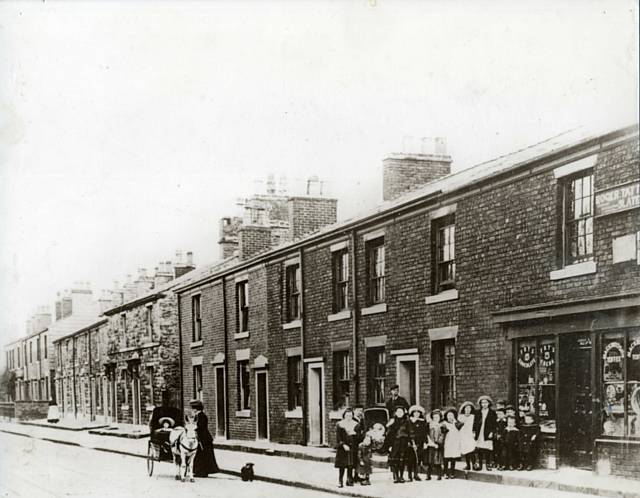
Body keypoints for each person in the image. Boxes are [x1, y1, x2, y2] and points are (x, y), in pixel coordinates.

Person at [189, 399, 220, 478]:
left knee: (202, 455)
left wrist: (194, 428)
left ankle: (202, 471)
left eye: (192, 409)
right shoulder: (198, 416)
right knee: (201, 455)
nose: (191, 410)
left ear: (195, 409)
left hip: (203, 439)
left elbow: (200, 427)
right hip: (202, 438)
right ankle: (200, 471)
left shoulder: (201, 416)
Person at [149, 387, 183, 457]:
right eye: (164, 400)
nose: (166, 402)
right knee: (160, 434)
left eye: (168, 400)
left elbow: (178, 423)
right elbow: (153, 424)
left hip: (172, 430)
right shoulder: (157, 411)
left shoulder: (175, 411)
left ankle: (173, 450)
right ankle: (163, 450)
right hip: (160, 431)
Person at [385, 406, 411, 483]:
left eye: (401, 412)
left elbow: (410, 432)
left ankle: (401, 476)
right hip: (395, 443)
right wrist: (389, 445)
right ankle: (396, 476)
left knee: (402, 460)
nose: (400, 413)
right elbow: (389, 434)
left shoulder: (406, 421)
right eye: (398, 412)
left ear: (403, 413)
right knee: (394, 460)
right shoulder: (392, 421)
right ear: (395, 413)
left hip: (403, 443)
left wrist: (410, 441)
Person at [335, 408, 358, 487]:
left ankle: (349, 479)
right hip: (343, 447)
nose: (349, 417)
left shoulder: (355, 424)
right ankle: (340, 480)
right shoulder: (340, 424)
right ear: (344, 416)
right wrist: (343, 445)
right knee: (342, 465)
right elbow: (338, 437)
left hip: (352, 446)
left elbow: (359, 436)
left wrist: (355, 434)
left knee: (350, 464)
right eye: (347, 415)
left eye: (350, 415)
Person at [473, 395, 497, 471]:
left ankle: (487, 464)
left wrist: (492, 432)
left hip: (487, 432)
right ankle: (480, 464)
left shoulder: (492, 413)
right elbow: (475, 423)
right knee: (479, 448)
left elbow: (494, 424)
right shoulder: (477, 412)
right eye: (482, 403)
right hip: (479, 432)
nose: (484, 404)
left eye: (486, 402)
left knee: (487, 449)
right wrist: (473, 431)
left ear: (489, 403)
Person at [406, 405, 427, 481]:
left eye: (418, 412)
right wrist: (410, 441)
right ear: (412, 413)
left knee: (418, 459)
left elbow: (424, 433)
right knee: (410, 459)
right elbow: (408, 432)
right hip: (411, 443)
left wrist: (425, 442)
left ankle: (416, 474)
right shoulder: (409, 421)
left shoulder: (422, 422)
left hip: (420, 442)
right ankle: (409, 475)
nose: (417, 414)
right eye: (415, 412)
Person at [425, 408, 445, 480]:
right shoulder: (429, 425)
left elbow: (442, 435)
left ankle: (439, 475)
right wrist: (428, 442)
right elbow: (426, 434)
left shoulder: (442, 425)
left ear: (440, 417)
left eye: (437, 417)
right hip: (430, 444)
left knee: (438, 461)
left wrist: (439, 443)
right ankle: (428, 475)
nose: (435, 418)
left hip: (437, 445)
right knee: (430, 461)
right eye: (434, 417)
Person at [442, 408, 462, 479]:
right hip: (447, 442)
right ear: (446, 416)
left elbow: (460, 428)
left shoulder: (457, 423)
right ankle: (445, 473)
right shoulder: (444, 423)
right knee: (446, 458)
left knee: (453, 458)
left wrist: (455, 422)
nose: (450, 417)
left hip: (455, 442)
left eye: (452, 415)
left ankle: (452, 472)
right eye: (448, 415)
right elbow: (443, 431)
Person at [458, 401, 477, 470]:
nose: (468, 410)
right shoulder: (460, 417)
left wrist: (474, 433)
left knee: (471, 449)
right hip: (463, 435)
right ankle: (468, 465)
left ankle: (474, 464)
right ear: (463, 409)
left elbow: (475, 426)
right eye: (466, 408)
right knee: (465, 450)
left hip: (470, 435)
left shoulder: (473, 417)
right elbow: (458, 427)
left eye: (469, 408)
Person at [493, 406, 507, 470]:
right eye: (498, 414)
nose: (499, 415)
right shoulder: (496, 422)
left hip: (504, 440)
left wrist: (502, 435)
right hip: (497, 440)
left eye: (501, 414)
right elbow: (494, 429)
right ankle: (498, 463)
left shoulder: (506, 422)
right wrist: (496, 434)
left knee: (503, 453)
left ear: (504, 414)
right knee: (497, 452)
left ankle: (504, 464)